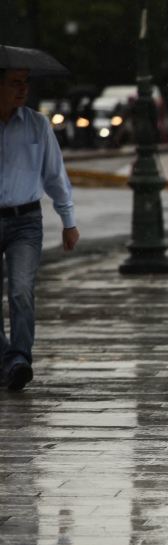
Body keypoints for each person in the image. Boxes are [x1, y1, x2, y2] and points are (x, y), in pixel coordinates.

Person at [0, 67, 80, 392]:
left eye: (26, 83)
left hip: (26, 221)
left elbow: (54, 176)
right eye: (14, 83)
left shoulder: (37, 124)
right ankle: (5, 358)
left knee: (21, 290)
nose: (22, 90)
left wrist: (68, 221)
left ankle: (19, 359)